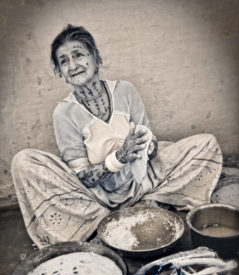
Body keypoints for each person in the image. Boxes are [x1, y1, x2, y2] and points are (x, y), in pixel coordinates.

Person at [11, 25, 222, 248]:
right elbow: (83, 177)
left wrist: (147, 147)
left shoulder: (125, 90)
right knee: (23, 162)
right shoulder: (64, 113)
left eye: (79, 55)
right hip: (95, 197)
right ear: (60, 73)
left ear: (96, 57)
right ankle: (100, 218)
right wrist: (120, 156)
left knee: (206, 143)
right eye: (63, 61)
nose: (73, 65)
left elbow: (151, 143)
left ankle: (148, 199)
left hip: (141, 181)